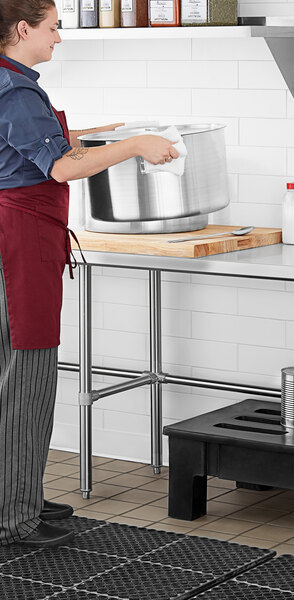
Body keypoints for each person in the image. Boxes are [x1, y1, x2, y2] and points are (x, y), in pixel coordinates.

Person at [0, 0, 178, 547]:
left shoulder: (11, 83)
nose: (59, 38)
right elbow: (59, 168)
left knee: (8, 375)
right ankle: (16, 517)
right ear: (23, 28)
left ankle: (16, 494)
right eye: (53, 28)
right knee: (26, 376)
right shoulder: (17, 89)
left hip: (12, 240)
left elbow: (30, 151)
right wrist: (134, 147)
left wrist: (86, 134)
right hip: (19, 245)